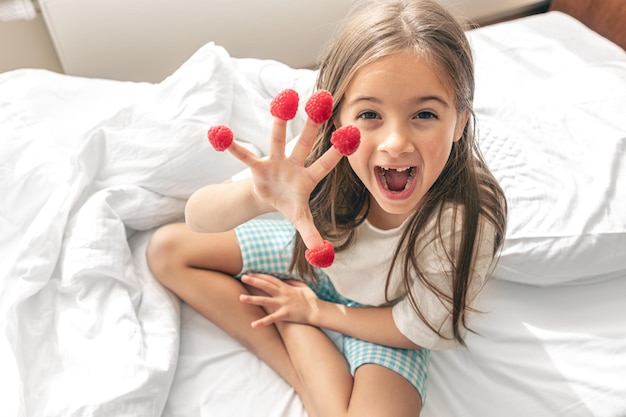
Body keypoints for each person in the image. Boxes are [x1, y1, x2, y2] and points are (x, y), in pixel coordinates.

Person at [146, 0, 507, 415]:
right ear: (337, 120)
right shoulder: (317, 164)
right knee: (166, 251)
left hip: (380, 315)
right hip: (309, 261)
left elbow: (421, 327)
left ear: (460, 122)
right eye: (370, 114)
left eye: (424, 114)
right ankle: (300, 371)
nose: (395, 142)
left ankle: (294, 326)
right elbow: (198, 219)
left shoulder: (462, 221)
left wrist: (312, 312)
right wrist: (255, 196)